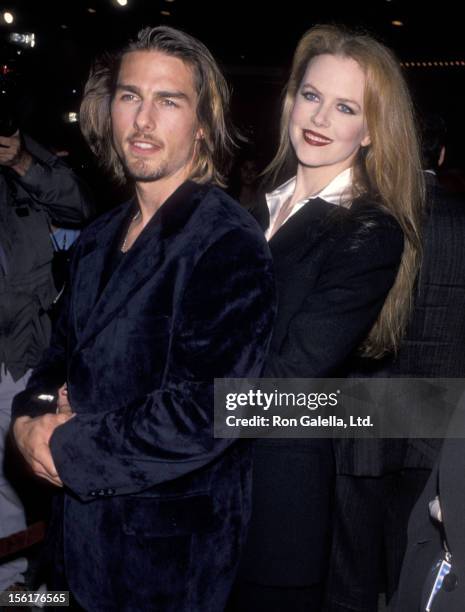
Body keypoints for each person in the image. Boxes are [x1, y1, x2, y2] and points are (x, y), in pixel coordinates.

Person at [11, 26, 275, 611]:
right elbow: (58, 356)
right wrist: (27, 421)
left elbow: (205, 410)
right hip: (77, 540)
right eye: (130, 96)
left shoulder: (227, 242)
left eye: (168, 101)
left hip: (166, 560)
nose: (143, 119)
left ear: (203, 124)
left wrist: (66, 448)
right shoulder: (101, 234)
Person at [228, 24, 424, 612]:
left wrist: (163, 405)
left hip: (276, 493)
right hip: (206, 483)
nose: (320, 118)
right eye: (311, 96)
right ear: (292, 99)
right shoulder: (252, 205)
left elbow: (288, 381)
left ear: (370, 131)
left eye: (345, 108)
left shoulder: (369, 231)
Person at [325, 112, 465, 612]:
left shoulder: (366, 219)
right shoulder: (461, 219)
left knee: (351, 564)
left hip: (365, 410)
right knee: (418, 554)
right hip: (439, 413)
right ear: (442, 156)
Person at [0, 130, 92, 594]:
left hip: (20, 356)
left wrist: (20, 163)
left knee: (32, 475)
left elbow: (78, 206)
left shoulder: (23, 152)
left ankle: (32, 589)